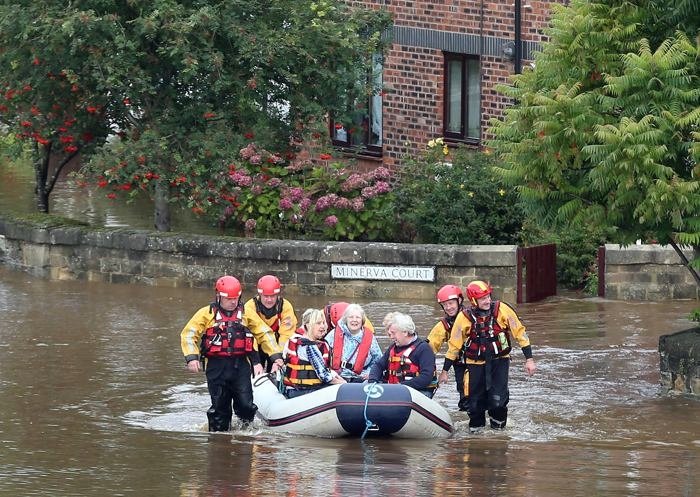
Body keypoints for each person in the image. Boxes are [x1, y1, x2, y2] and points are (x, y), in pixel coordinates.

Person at [180, 275, 284, 431]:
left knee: (246, 405)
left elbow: (264, 334)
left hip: (240, 365)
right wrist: (191, 358)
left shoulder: (246, 313)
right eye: (229, 299)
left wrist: (275, 357)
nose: (233, 302)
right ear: (219, 296)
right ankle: (219, 440)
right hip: (216, 367)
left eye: (236, 298)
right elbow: (189, 334)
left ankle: (246, 433)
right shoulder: (206, 314)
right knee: (220, 409)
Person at [446, 280, 537, 432]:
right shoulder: (464, 317)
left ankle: (499, 432)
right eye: (483, 298)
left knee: (498, 403)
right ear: (474, 300)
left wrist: (529, 359)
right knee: (474, 405)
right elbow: (454, 345)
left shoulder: (502, 310)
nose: (487, 300)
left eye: (488, 296)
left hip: (499, 361)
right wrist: (444, 371)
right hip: (475, 364)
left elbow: (519, 333)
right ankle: (476, 435)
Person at [368, 312, 437, 397]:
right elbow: (378, 365)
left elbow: (426, 377)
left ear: (405, 332)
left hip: (418, 392)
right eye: (390, 334)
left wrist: (402, 387)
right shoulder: (392, 348)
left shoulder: (424, 349)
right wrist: (372, 381)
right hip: (394, 390)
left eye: (393, 333)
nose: (391, 337)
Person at [282, 308, 346, 398]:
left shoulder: (294, 340)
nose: (323, 327)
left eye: (323, 323)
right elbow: (324, 376)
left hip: (293, 389)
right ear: (308, 325)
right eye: (318, 323)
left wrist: (335, 376)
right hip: (301, 391)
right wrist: (345, 384)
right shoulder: (308, 346)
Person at [244, 275, 298, 374]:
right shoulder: (249, 307)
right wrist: (255, 362)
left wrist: (279, 358)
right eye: (266, 296)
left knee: (276, 371)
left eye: (272, 296)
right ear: (260, 294)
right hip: (256, 346)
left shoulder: (285, 307)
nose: (269, 300)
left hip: (277, 346)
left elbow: (286, 335)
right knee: (252, 371)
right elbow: (246, 334)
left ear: (278, 294)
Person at [428, 284, 469, 410]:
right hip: (460, 364)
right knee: (464, 395)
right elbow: (430, 346)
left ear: (459, 301)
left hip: (480, 361)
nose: (448, 308)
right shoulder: (443, 325)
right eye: (445, 305)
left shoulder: (472, 317)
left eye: (451, 303)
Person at [325, 303, 383, 382]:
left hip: (360, 378)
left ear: (362, 320)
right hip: (338, 377)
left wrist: (370, 373)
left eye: (358, 317)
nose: (354, 320)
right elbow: (324, 357)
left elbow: (378, 360)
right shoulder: (333, 335)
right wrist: (332, 375)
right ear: (346, 319)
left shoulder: (370, 337)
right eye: (351, 317)